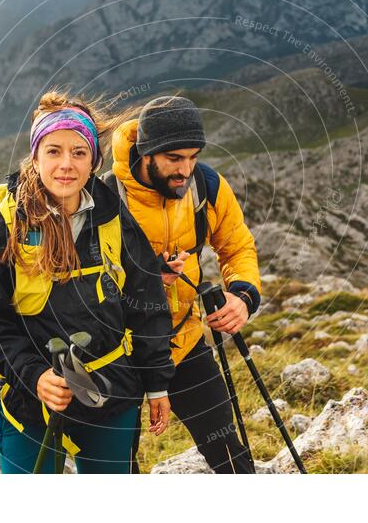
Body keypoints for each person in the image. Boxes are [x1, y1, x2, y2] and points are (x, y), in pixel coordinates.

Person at [0, 89, 174, 474]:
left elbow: (146, 303)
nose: (66, 164)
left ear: (94, 160)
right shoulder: (1, 226)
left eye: (79, 152)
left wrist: (157, 382)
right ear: (36, 156)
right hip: (30, 401)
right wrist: (35, 376)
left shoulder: (114, 217)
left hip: (110, 392)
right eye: (54, 151)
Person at [107, 96, 262, 473]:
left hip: (182, 339)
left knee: (228, 452)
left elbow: (237, 245)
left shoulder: (205, 185)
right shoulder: (106, 198)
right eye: (174, 159)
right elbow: (82, 279)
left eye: (192, 156)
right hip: (118, 350)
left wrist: (242, 295)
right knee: (115, 468)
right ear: (147, 153)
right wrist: (146, 278)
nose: (186, 169)